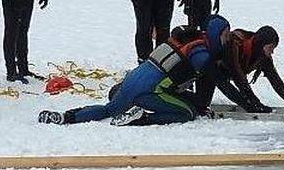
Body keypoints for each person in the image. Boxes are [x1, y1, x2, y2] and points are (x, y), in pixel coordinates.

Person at [39, 15, 231, 126]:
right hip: (150, 91)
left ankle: (66, 117)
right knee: (187, 112)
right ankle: (141, 118)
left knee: (109, 110)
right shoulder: (201, 54)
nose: (227, 40)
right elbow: (219, 81)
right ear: (216, 35)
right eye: (225, 35)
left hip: (132, 80)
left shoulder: (189, 41)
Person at [213, 24, 284, 114]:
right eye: (270, 47)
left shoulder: (263, 55)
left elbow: (275, 80)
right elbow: (238, 77)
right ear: (262, 44)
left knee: (249, 102)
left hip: (230, 71)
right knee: (219, 79)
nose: (272, 52)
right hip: (210, 66)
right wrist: (255, 104)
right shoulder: (236, 43)